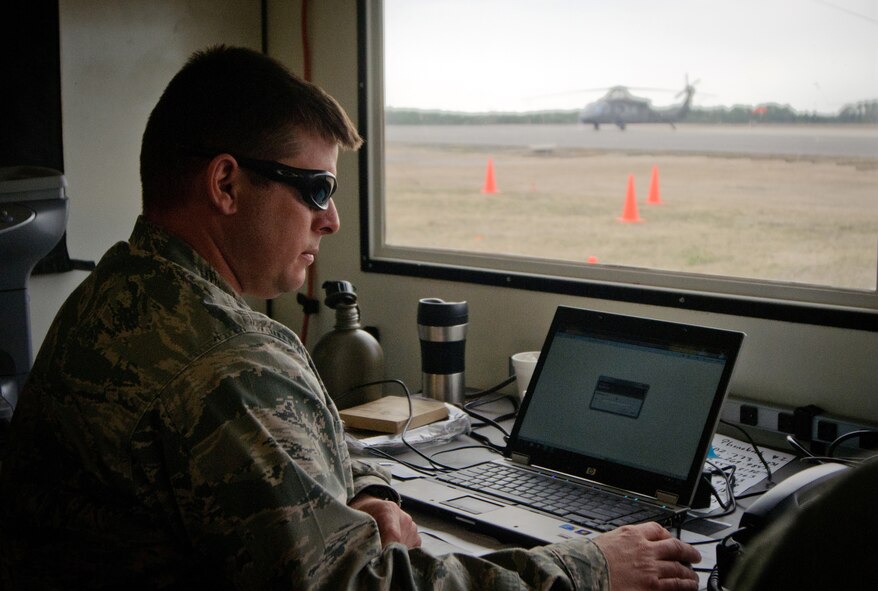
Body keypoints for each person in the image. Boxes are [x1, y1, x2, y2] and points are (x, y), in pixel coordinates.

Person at [0, 45, 701, 590]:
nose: (332, 219)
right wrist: (591, 567)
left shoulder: (122, 290)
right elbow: (362, 583)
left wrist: (365, 488)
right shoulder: (224, 366)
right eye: (316, 188)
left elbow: (292, 448)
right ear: (225, 183)